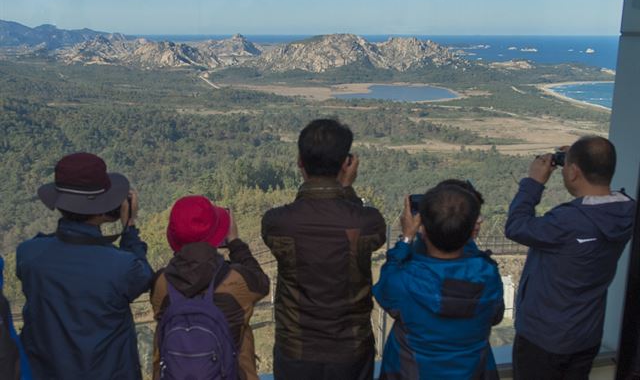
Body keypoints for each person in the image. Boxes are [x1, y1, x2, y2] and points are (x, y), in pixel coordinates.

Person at [262, 118, 386, 380]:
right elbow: (371, 231)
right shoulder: (367, 223)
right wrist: (346, 188)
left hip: (295, 349)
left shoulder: (277, 223)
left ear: (300, 161)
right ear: (346, 164)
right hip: (350, 350)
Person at [505, 136, 635, 380]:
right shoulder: (626, 211)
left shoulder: (567, 222)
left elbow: (516, 226)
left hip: (543, 340)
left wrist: (534, 182)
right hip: (586, 335)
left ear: (573, 172)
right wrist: (579, 157)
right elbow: (599, 165)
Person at [16, 152, 153, 380]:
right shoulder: (124, 266)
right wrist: (129, 227)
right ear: (102, 210)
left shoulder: (28, 254)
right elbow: (143, 275)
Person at [374, 184, 504, 379]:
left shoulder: (404, 281)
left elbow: (384, 288)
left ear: (423, 230)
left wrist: (407, 238)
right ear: (472, 231)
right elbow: (496, 316)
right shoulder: (488, 275)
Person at [150, 195, 269, 380]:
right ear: (218, 234)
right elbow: (262, 283)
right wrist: (235, 242)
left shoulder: (160, 284)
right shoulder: (237, 281)